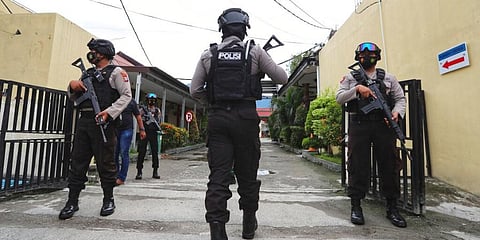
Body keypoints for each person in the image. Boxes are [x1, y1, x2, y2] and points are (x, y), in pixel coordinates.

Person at [190, 8, 288, 240]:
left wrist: (212, 102)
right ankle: (248, 224)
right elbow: (282, 78)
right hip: (245, 118)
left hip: (218, 119)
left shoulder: (209, 54)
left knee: (219, 176)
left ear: (222, 29)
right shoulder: (254, 51)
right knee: (247, 174)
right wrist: (261, 65)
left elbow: (194, 90)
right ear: (245, 29)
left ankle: (217, 230)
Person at [335, 42, 407, 228]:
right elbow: (339, 98)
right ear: (357, 57)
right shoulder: (351, 77)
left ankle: (392, 207)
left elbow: (400, 99)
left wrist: (396, 113)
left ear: (377, 57)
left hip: (383, 126)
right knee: (357, 164)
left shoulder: (389, 77)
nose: (366, 58)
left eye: (371, 54)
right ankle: (356, 206)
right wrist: (357, 89)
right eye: (362, 55)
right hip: (359, 125)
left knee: (389, 164)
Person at [59, 38, 132, 220]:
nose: (92, 54)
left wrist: (109, 113)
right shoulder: (87, 73)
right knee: (77, 163)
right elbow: (74, 97)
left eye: (95, 51)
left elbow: (126, 96)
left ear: (103, 53)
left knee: (106, 164)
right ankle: (72, 201)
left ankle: (109, 200)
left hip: (105, 124)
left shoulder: (117, 73)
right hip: (85, 122)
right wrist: (72, 86)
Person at [114, 99, 146, 185]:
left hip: (127, 129)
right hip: (115, 129)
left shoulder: (131, 101)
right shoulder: (114, 97)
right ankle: (115, 175)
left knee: (124, 152)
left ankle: (121, 177)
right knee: (114, 153)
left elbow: (138, 116)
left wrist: (142, 129)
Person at [135, 93, 162, 180]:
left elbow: (159, 121)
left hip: (153, 132)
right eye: (150, 100)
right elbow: (139, 118)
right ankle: (139, 171)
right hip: (144, 131)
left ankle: (155, 171)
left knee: (155, 152)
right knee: (141, 152)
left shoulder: (157, 110)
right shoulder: (143, 110)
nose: (152, 102)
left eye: (153, 100)